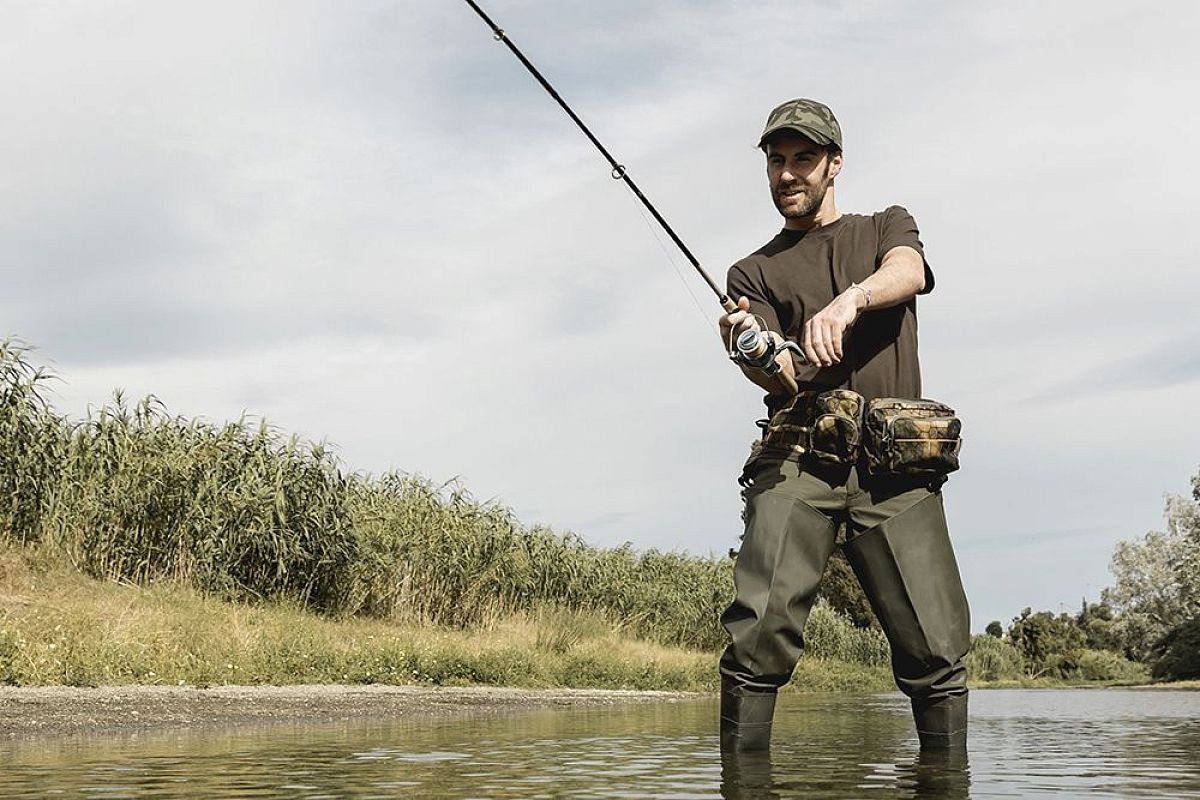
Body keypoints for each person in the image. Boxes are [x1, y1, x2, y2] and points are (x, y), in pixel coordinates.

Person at [716, 98, 971, 754]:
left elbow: (908, 273)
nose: (788, 174)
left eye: (804, 159)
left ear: (835, 164)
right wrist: (749, 347)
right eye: (776, 161)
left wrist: (848, 301)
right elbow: (782, 376)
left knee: (935, 647)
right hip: (799, 459)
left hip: (896, 469)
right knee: (758, 633)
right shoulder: (752, 272)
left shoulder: (886, 226)